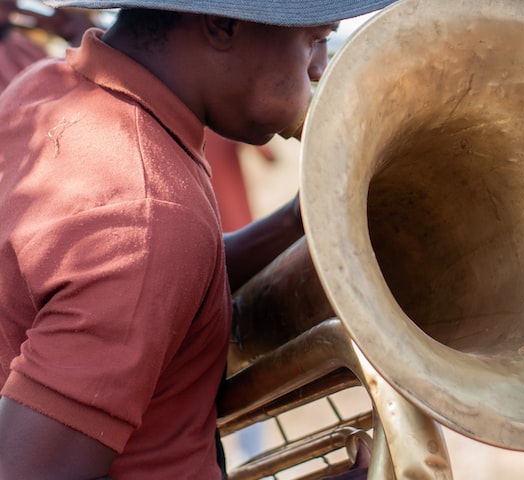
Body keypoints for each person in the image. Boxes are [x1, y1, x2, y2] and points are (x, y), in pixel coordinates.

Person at [0, 1, 397, 479]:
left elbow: (158, 289)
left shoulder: (49, 83)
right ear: (222, 24)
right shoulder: (146, 216)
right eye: (315, 39)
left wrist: (298, 218)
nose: (317, 70)